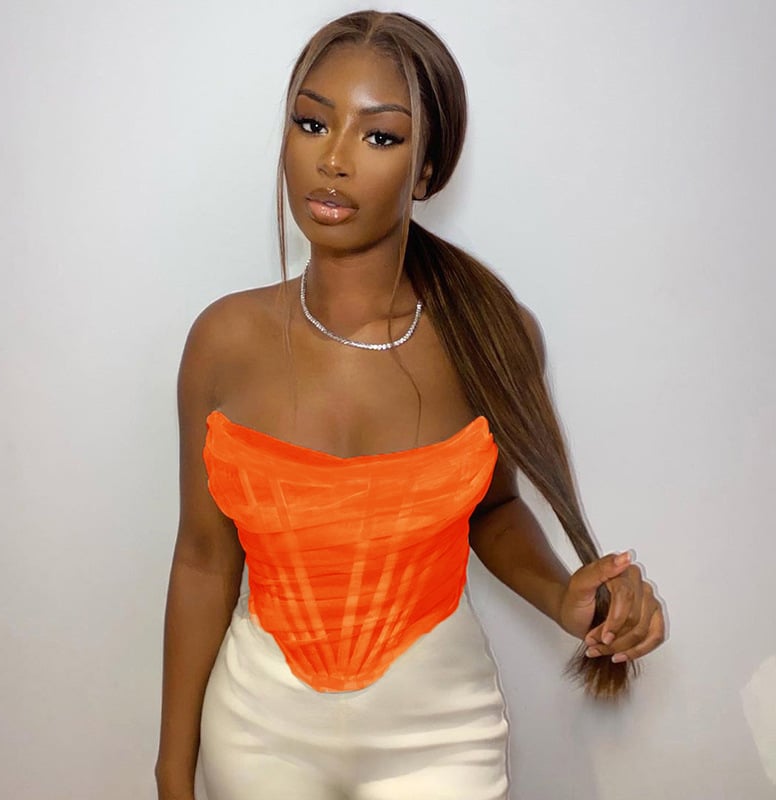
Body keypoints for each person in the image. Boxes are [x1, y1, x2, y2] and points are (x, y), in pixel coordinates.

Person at [155, 10, 666, 800]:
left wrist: (566, 598)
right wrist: (171, 769)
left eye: (380, 136)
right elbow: (202, 558)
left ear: (427, 171)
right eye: (311, 122)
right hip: (256, 735)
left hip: (441, 736)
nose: (333, 159)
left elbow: (494, 510)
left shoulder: (490, 336)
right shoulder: (224, 342)